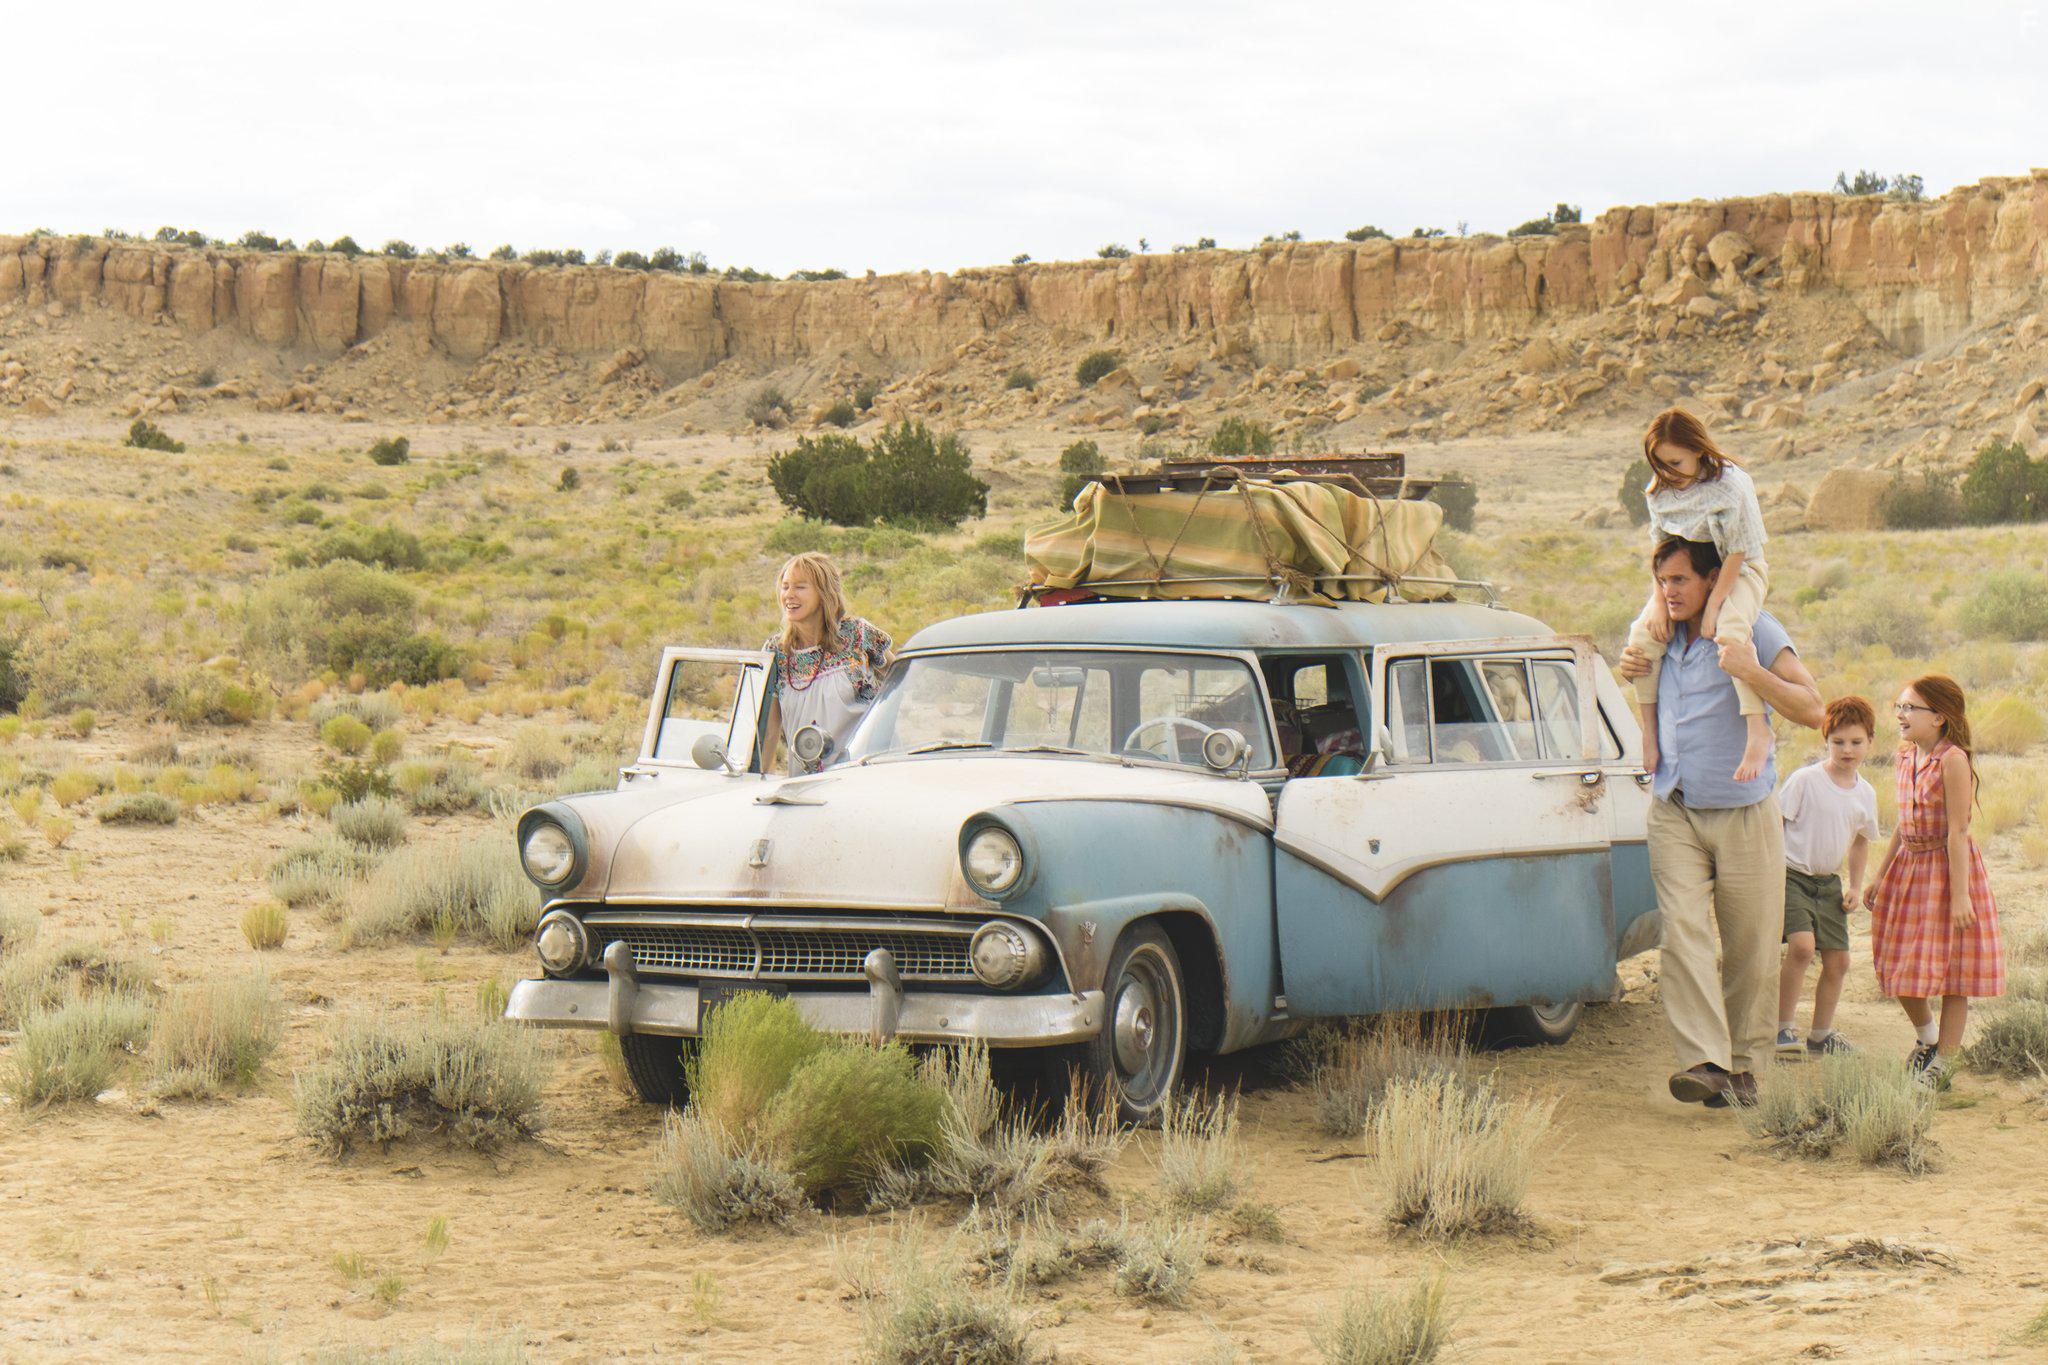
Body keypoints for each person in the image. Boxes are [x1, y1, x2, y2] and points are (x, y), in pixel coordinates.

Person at [1618, 537, 1823, 1109]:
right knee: (1682, 931)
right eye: (1662, 582)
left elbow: (1813, 708)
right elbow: (1640, 683)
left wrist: (1753, 673)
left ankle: (1745, 1069)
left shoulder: (1753, 627)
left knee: (1751, 945)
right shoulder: (1657, 636)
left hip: (1744, 812)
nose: (1669, 592)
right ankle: (1704, 1061)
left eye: (1680, 580)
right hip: (1675, 806)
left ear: (1713, 580)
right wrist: (1629, 665)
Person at [1862, 675, 2005, 1089]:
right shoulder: (1904, 756)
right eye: (1900, 706)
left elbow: (1957, 832)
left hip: (1947, 870)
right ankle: (1928, 1038)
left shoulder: (1952, 759)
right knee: (1899, 962)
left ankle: (1945, 1060)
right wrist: (1880, 873)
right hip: (1909, 866)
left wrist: (1961, 896)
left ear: (1939, 717)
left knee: (1953, 972)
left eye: (1911, 708)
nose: (1902, 715)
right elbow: (1902, 825)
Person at [1626, 408, 1774, 784]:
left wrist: (1714, 606)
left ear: (1697, 450)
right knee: (1643, 636)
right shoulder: (1658, 492)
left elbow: (1738, 552)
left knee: (1730, 631)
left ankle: (1757, 730)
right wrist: (1660, 602)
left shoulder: (1730, 485)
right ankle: (1649, 731)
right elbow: (1660, 552)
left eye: (1675, 462)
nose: (1668, 473)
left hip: (1736, 570)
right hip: (1682, 572)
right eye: (1660, 464)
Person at [1774, 695, 1882, 1058]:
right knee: (1802, 948)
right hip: (1791, 875)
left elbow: (1860, 843)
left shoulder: (1866, 793)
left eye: (1855, 742)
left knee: (1839, 961)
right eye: (1838, 742)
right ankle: (1781, 1029)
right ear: (1825, 741)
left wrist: (1854, 885)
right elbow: (1777, 824)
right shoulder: (1805, 780)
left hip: (1829, 884)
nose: (1847, 750)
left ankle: (1820, 1035)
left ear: (1870, 742)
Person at [760, 552, 892, 776]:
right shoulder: (776, 653)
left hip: (864, 776)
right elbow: (769, 732)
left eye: (800, 587)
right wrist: (758, 781)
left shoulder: (857, 635)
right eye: (785, 587)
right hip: (806, 785)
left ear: (824, 593)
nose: (789, 595)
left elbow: (900, 681)